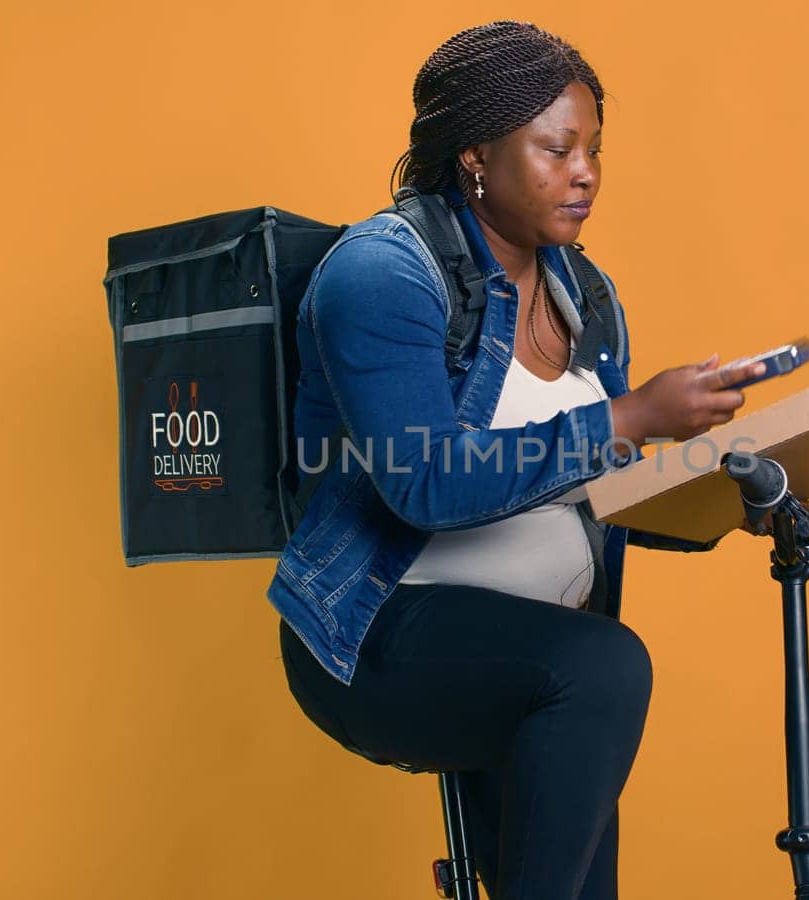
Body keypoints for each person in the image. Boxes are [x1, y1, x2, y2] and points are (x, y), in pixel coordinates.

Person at [270, 21, 767, 900]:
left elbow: (588, 494)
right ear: (476, 154)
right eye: (557, 148)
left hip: (537, 645)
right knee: (605, 667)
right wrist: (631, 413)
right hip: (380, 634)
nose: (585, 172)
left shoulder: (586, 292)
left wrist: (740, 487)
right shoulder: (383, 272)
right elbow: (424, 480)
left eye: (595, 151)